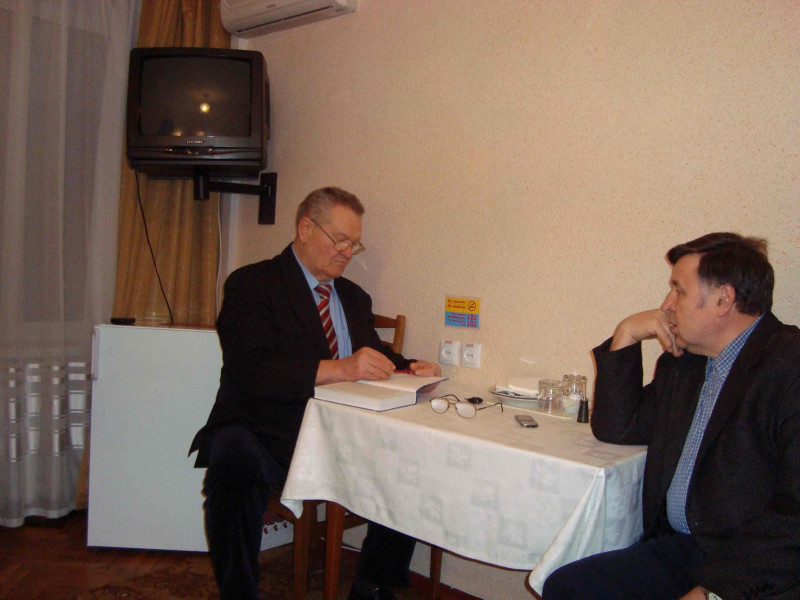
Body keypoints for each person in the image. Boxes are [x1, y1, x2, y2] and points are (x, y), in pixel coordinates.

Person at [189, 187, 442, 600]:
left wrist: (412, 368)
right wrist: (341, 368)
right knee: (233, 462)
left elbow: (373, 355)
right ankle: (238, 592)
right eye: (339, 240)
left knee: (411, 455)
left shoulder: (354, 297)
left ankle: (372, 586)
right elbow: (252, 369)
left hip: (341, 432)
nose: (348, 252)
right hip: (265, 430)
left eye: (354, 244)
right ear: (305, 228)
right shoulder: (252, 284)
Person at [542, 232, 800, 600]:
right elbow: (618, 428)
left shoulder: (788, 367)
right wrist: (627, 333)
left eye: (679, 291)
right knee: (567, 586)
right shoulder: (686, 363)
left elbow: (793, 518)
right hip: (684, 550)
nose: (666, 305)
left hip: (752, 567)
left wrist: (713, 592)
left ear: (724, 300)